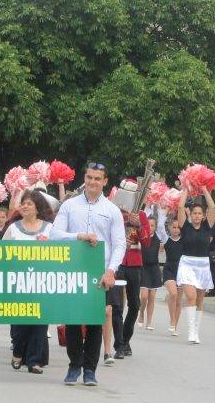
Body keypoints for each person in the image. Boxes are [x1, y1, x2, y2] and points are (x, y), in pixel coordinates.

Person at [51, 163, 126, 386]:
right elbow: (54, 234)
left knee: (95, 321)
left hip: (100, 273)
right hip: (73, 271)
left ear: (105, 182)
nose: (92, 182)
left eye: (97, 178)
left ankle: (90, 370)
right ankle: (74, 365)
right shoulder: (70, 205)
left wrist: (111, 270)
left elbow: (119, 244)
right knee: (73, 320)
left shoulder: (112, 210)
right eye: (89, 177)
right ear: (84, 178)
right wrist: (79, 236)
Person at [3, 190, 54, 374]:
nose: (24, 206)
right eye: (23, 203)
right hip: (18, 283)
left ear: (37, 208)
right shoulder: (13, 228)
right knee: (20, 324)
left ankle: (34, 361)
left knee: (40, 323)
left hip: (42, 283)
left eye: (29, 203)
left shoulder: (49, 228)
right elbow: (1, 253)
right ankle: (18, 351)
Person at [112, 179, 151, 359]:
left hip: (134, 264)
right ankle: (119, 344)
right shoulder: (114, 212)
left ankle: (126, 339)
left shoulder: (141, 215)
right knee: (117, 305)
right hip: (118, 263)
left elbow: (147, 242)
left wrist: (138, 225)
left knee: (135, 304)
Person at [176, 187, 215, 343]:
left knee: (199, 300)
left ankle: (196, 331)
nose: (197, 216)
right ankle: (190, 331)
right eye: (194, 213)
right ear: (191, 214)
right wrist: (186, 189)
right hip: (187, 264)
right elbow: (180, 206)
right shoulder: (185, 227)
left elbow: (212, 207)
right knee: (191, 297)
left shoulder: (207, 226)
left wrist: (204, 189)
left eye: (200, 213)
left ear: (203, 215)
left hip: (203, 265)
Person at [138, 217, 162, 331]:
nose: (150, 227)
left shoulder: (158, 237)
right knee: (144, 296)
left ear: (156, 227)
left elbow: (162, 223)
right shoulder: (142, 237)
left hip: (154, 269)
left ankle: (149, 321)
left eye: (152, 225)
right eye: (148, 225)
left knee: (152, 297)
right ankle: (141, 312)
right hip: (143, 268)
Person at [163, 218, 183, 335]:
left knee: (179, 301)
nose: (176, 230)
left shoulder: (184, 240)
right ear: (169, 228)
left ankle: (174, 326)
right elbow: (160, 227)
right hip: (169, 270)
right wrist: (163, 212)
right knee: (173, 293)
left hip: (181, 272)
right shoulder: (166, 239)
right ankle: (172, 320)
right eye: (173, 227)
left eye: (178, 227)